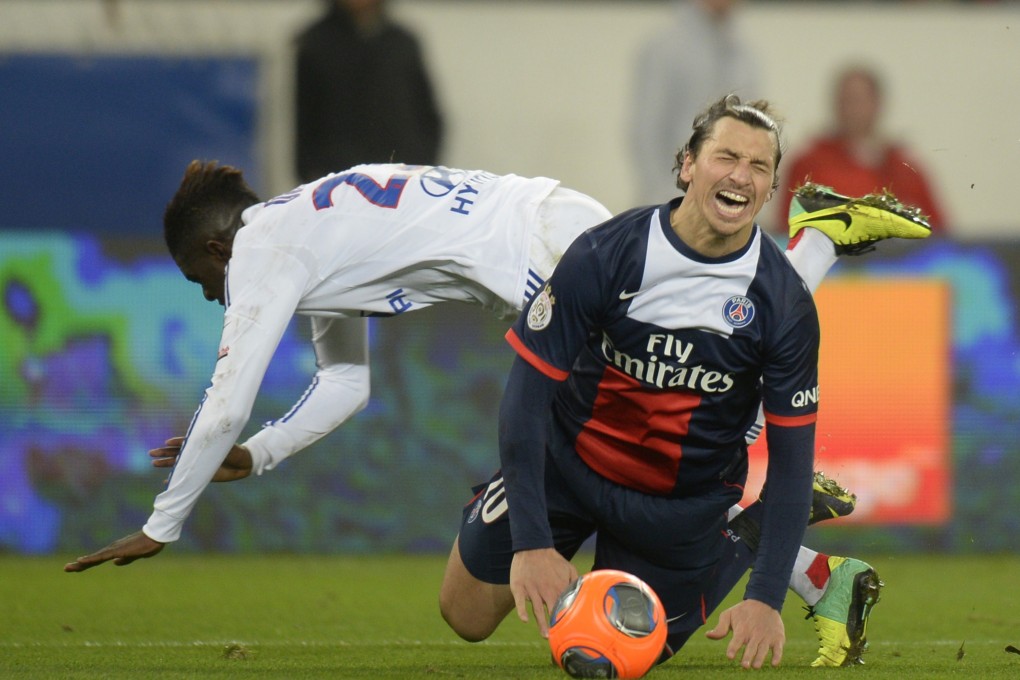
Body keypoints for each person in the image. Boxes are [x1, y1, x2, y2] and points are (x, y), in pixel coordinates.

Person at [63, 131, 928, 665]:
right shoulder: (308, 241)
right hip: (541, 226)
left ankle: (815, 244)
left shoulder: (262, 249)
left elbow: (225, 397)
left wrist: (163, 522)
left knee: (699, 378)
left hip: (547, 249)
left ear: (218, 247)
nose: (216, 297)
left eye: (203, 281)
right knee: (681, 377)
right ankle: (798, 541)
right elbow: (346, 383)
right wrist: (261, 455)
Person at [437, 95, 928, 670]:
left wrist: (765, 597)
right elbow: (524, 401)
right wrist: (532, 543)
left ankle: (747, 533)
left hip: (677, 505)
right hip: (566, 466)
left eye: (759, 166)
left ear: (770, 188)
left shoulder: (785, 305)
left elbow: (793, 461)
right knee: (464, 615)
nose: (740, 176)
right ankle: (820, 240)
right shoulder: (606, 253)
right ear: (689, 164)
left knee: (620, 656)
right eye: (726, 157)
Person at [775, 63, 946, 235]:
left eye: (859, 100)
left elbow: (939, 233)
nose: (853, 110)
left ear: (878, 104)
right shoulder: (809, 164)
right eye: (846, 100)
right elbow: (787, 230)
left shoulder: (904, 169)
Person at [294, 0, 443, 183]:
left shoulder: (402, 41)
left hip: (402, 173)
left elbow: (427, 112)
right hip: (340, 176)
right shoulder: (315, 43)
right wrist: (309, 172)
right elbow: (305, 117)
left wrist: (424, 162)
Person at [630, 0, 760, 205]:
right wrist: (666, 198)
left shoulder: (743, 54)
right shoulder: (665, 49)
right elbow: (647, 130)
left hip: (726, 198)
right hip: (673, 198)